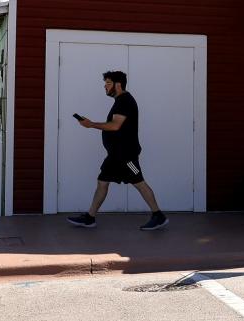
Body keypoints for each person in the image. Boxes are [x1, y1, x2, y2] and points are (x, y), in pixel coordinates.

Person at [66, 70, 169, 231]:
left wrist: (91, 124)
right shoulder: (120, 101)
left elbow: (115, 126)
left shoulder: (124, 101)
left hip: (127, 157)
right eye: (105, 83)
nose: (105, 86)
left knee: (139, 182)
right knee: (102, 182)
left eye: (108, 83)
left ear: (118, 84)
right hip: (115, 156)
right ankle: (90, 217)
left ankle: (158, 215)